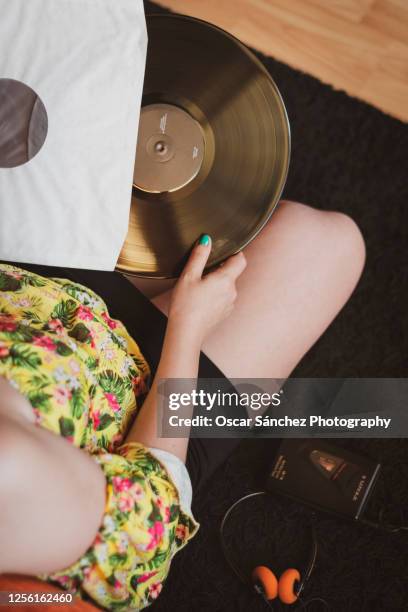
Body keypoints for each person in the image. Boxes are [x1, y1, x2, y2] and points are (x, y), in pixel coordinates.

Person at [0, 200, 365, 610]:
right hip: (137, 407)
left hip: (29, 299)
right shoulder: (9, 473)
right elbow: (141, 533)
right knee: (329, 242)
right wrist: (188, 327)